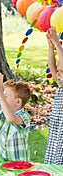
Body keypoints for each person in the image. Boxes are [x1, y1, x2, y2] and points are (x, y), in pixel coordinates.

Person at [0, 74, 32, 161]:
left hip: (19, 167)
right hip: (1, 166)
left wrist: (0, 93)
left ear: (18, 102)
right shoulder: (2, 115)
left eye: (5, 97)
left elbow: (11, 118)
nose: (1, 99)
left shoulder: (24, 116)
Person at [44, 27, 63, 165]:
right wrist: (51, 47)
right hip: (57, 132)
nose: (58, 74)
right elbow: (52, 68)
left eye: (61, 71)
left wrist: (57, 44)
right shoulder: (61, 87)